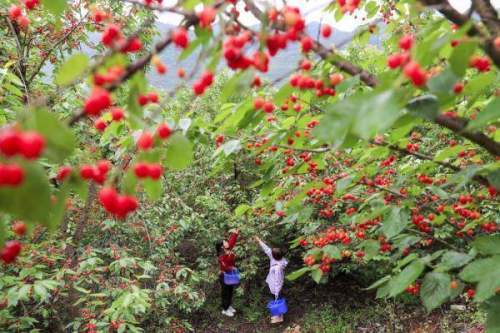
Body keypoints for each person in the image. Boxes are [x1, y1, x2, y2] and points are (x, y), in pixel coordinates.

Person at [254, 236, 288, 324]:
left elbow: (278, 280)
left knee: (277, 300)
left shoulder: (278, 268)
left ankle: (279, 316)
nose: (270, 253)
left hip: (276, 287)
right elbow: (267, 250)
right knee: (277, 299)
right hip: (273, 284)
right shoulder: (277, 258)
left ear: (274, 256)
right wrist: (259, 240)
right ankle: (279, 315)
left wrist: (276, 292)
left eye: (272, 253)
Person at [215, 229, 239, 317]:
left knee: (230, 290)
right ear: (222, 246)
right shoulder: (221, 255)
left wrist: (235, 234)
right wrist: (232, 267)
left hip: (230, 274)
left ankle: (228, 306)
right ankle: (225, 309)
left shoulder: (228, 249)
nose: (227, 242)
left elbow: (232, 242)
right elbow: (224, 266)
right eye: (225, 242)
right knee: (225, 292)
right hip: (224, 276)